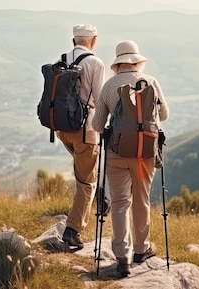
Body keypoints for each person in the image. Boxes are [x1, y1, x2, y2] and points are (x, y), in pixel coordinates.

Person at [92, 40, 169, 277]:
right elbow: (164, 115)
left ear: (118, 63)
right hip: (144, 154)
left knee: (119, 203)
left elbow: (96, 125)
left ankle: (122, 258)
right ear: (136, 61)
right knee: (141, 200)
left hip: (117, 153)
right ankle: (141, 249)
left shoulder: (109, 86)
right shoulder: (152, 82)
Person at [57, 24, 106, 249]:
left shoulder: (62, 59)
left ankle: (98, 197)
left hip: (61, 129)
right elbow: (100, 100)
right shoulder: (95, 63)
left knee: (84, 172)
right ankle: (72, 231)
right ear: (93, 40)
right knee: (86, 183)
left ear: (73, 40)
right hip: (85, 131)